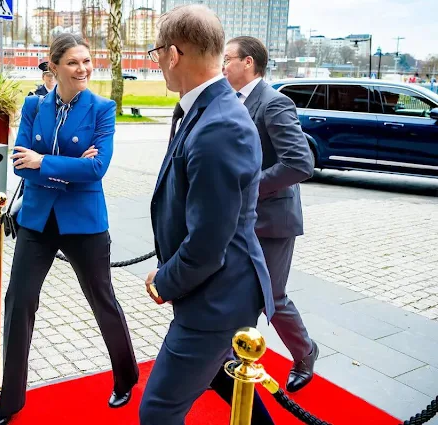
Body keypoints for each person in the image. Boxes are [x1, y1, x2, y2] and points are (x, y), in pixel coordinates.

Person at [0, 33, 139, 425]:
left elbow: (97, 168)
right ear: (53, 66)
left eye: (88, 61)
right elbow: (21, 164)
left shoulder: (102, 109)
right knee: (18, 302)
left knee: (102, 300)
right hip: (37, 221)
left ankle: (126, 376)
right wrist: (62, 167)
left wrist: (45, 163)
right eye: (74, 62)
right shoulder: (34, 105)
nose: (84, 68)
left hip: (84, 224)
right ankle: (11, 401)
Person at [139, 5, 275, 425]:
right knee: (234, 387)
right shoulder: (203, 108)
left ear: (174, 54)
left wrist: (164, 281)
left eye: (156, 52)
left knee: (158, 410)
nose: (156, 61)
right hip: (215, 289)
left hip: (217, 297)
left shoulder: (219, 124)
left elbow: (207, 244)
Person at [223, 36, 317, 393]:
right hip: (239, 218)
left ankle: (305, 353)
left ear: (249, 63)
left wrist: (248, 188)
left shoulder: (274, 103)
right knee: (237, 290)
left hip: (272, 221)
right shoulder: (231, 102)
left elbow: (299, 163)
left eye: (228, 59)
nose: (223, 65)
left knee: (272, 297)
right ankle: (234, 355)